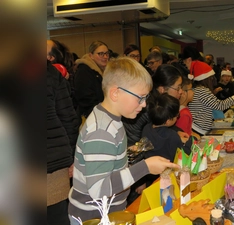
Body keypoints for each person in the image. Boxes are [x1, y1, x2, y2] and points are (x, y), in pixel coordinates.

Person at [68, 57, 180, 223]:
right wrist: (145, 167)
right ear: (115, 93)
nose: (143, 105)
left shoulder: (112, 119)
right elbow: (99, 189)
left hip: (109, 211)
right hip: (93, 216)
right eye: (140, 97)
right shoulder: (102, 131)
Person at [47, 60, 80, 225]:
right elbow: (69, 118)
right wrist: (72, 156)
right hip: (55, 162)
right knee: (58, 216)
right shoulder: (49, 71)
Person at [122, 64, 185, 147]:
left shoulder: (159, 101)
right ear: (162, 89)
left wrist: (177, 131)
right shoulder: (152, 106)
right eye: (178, 88)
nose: (181, 91)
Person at [183, 54, 234, 135]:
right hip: (199, 128)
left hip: (197, 127)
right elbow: (219, 106)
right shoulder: (202, 90)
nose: (212, 80)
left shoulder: (197, 89)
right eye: (211, 77)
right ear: (206, 78)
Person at [74, 40, 109, 119]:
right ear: (91, 55)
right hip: (92, 116)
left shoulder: (104, 70)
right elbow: (85, 99)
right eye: (100, 54)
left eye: (107, 53)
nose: (105, 57)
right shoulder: (84, 71)